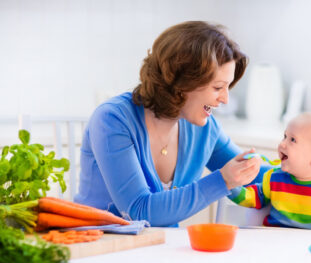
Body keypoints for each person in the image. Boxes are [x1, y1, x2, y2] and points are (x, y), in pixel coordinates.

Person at [74, 21, 266, 227]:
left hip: (160, 248)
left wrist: (296, 165)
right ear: (183, 83)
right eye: (218, 87)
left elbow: (258, 177)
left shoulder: (204, 129)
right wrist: (222, 181)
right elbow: (138, 211)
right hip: (99, 245)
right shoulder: (113, 119)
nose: (225, 99)